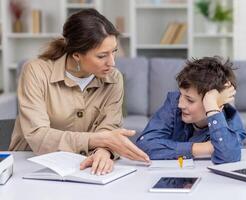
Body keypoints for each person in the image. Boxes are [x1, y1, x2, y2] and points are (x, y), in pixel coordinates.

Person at [9, 9, 149, 175]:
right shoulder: (36, 71)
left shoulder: (114, 79)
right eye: (102, 56)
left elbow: (109, 128)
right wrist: (96, 139)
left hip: (83, 167)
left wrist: (104, 152)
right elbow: (38, 136)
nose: (112, 63)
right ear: (76, 55)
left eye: (114, 52)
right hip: (29, 165)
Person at [136, 56, 246, 164]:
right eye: (181, 94)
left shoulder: (229, 120)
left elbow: (229, 155)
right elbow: (143, 145)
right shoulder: (174, 103)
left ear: (217, 103)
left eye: (190, 100)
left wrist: (212, 107)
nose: (180, 104)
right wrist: (202, 149)